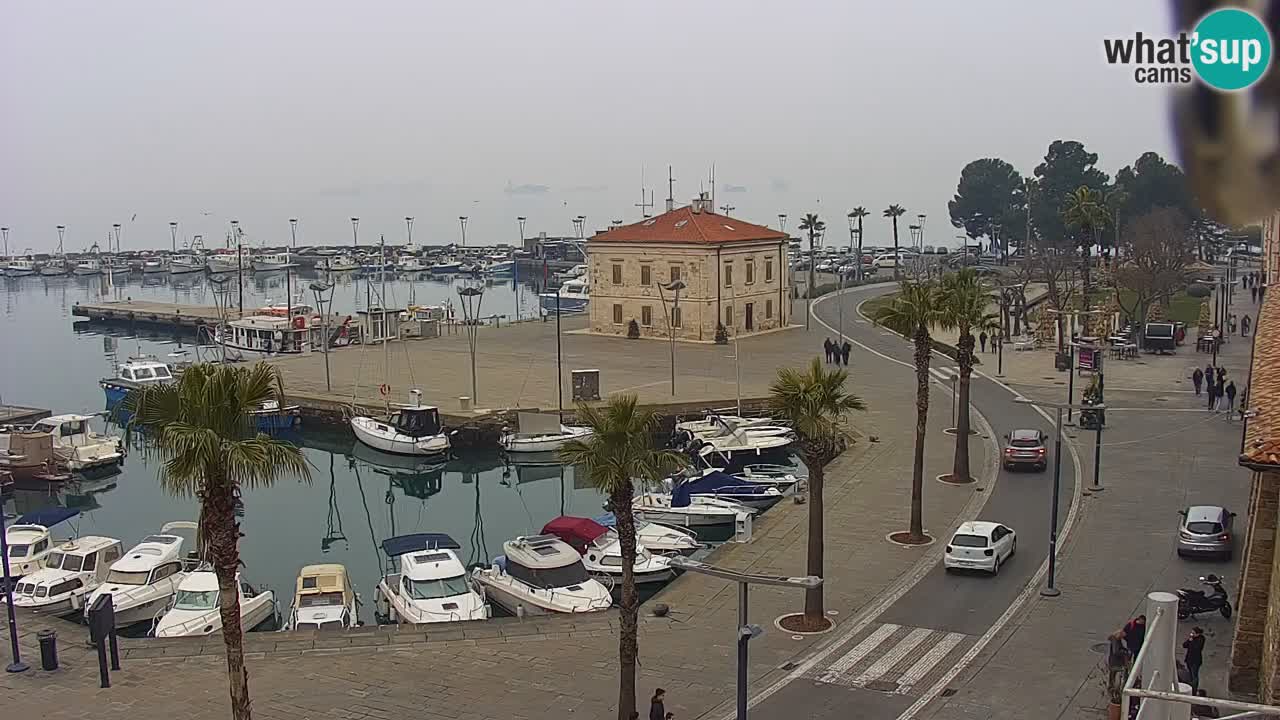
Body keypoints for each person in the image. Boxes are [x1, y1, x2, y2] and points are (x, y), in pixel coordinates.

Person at [1183, 626, 1205, 692]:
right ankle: (1190, 686)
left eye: (1193, 633)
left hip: (1195, 661)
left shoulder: (1201, 639)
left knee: (1194, 675)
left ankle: (1194, 689)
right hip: (1189, 659)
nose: (1191, 634)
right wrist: (1189, 641)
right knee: (1190, 674)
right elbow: (1184, 645)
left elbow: (1197, 648)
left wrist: (1191, 641)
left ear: (1197, 634)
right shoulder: (1191, 638)